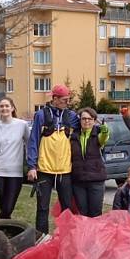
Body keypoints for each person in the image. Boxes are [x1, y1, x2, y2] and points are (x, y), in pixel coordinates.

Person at [26, 84, 79, 234]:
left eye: (68, 100)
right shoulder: (41, 115)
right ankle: (41, 239)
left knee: (67, 207)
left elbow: (86, 126)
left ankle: (66, 237)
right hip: (44, 170)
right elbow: (33, 140)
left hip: (65, 171)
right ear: (54, 99)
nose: (67, 103)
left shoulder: (72, 116)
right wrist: (31, 166)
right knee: (42, 208)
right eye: (64, 100)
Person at [0, 97, 29, 219]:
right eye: (1, 106)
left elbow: (29, 144)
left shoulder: (22, 125)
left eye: (7, 106)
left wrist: (30, 165)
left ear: (12, 108)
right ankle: (5, 232)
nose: (4, 108)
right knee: (4, 208)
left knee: (8, 208)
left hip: (15, 173)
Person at [69, 107, 109, 217]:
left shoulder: (98, 134)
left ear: (94, 120)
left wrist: (104, 127)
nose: (87, 121)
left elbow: (104, 137)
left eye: (90, 119)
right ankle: (84, 234)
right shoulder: (74, 135)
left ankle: (96, 234)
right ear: (80, 120)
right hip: (79, 181)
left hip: (96, 180)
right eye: (84, 118)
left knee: (95, 213)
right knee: (82, 214)